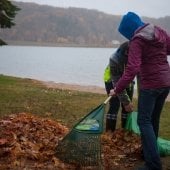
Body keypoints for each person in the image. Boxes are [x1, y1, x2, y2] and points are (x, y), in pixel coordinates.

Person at [109, 12, 170, 170]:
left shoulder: (137, 39)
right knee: (153, 120)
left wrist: (117, 89)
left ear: (130, 30)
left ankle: (153, 164)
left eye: (127, 34)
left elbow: (132, 68)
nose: (129, 37)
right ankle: (149, 153)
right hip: (165, 83)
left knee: (143, 121)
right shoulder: (159, 31)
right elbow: (167, 50)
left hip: (150, 85)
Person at [103, 41, 134, 132]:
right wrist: (125, 101)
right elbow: (116, 81)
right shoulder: (114, 59)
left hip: (128, 82)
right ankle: (110, 133)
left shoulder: (135, 56)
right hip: (111, 81)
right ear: (126, 52)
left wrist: (127, 102)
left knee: (127, 107)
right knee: (115, 105)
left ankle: (125, 131)